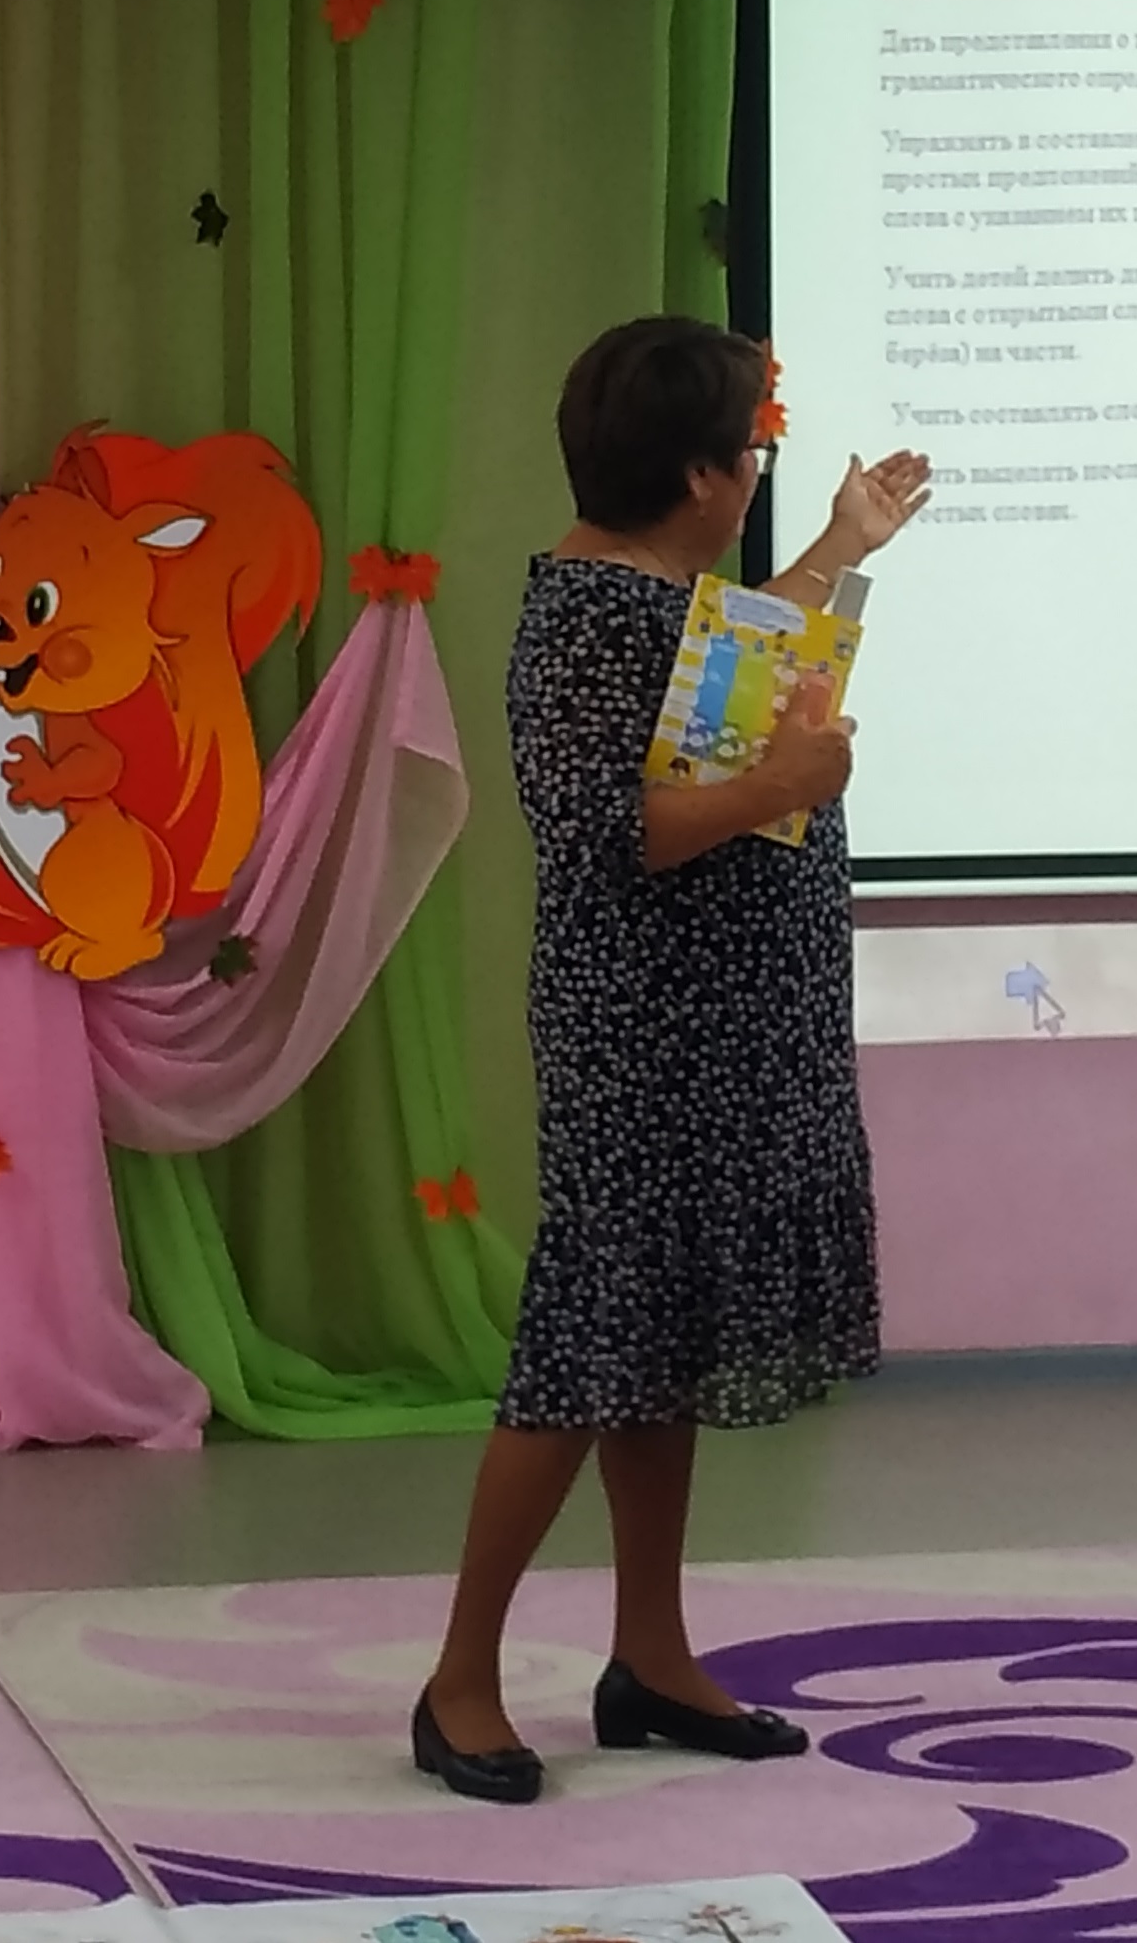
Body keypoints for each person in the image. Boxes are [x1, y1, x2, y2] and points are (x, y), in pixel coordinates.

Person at [412, 314, 932, 1805]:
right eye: (750, 458)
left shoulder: (656, 594)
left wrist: (841, 545)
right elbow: (606, 832)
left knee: (661, 1344)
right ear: (700, 477)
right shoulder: (584, 613)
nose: (757, 477)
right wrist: (781, 783)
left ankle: (648, 1652)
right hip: (647, 1036)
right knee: (583, 1345)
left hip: (733, 1023)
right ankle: (458, 1679)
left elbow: (733, 662)